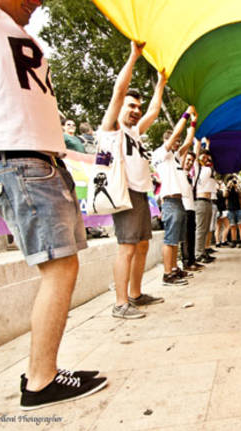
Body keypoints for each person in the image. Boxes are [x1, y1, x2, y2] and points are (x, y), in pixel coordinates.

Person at [0, 0, 107, 409]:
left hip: (41, 161)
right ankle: (41, 381)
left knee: (64, 264)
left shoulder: (16, 31)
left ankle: (43, 370)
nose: (38, 1)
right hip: (20, 161)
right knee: (59, 267)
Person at [99, 41, 167, 319]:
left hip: (141, 194)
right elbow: (117, 93)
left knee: (141, 246)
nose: (135, 110)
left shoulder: (135, 132)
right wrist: (133, 56)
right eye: (131, 105)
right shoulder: (111, 127)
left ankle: (136, 294)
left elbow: (154, 111)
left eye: (137, 106)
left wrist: (161, 82)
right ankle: (120, 303)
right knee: (126, 248)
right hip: (124, 193)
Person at [152, 106, 197, 286]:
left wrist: (194, 120)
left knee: (176, 239)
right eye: (173, 141)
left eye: (177, 142)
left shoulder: (175, 158)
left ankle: (174, 269)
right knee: (170, 239)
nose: (177, 144)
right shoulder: (161, 154)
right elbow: (178, 134)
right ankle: (167, 273)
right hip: (169, 200)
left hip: (179, 201)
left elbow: (188, 139)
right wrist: (186, 113)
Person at [193, 148, 218, 263]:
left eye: (207, 157)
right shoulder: (198, 169)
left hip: (208, 200)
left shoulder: (210, 169)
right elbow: (197, 152)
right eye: (203, 157)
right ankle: (198, 254)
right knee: (201, 229)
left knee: (206, 229)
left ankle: (203, 251)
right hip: (200, 200)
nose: (206, 159)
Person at [225, 173, 241, 248]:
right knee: (232, 226)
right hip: (231, 209)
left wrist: (238, 187)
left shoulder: (239, 186)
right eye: (231, 180)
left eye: (234, 179)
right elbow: (225, 195)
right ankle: (234, 241)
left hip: (240, 208)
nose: (233, 181)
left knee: (240, 225)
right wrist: (228, 187)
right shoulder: (228, 187)